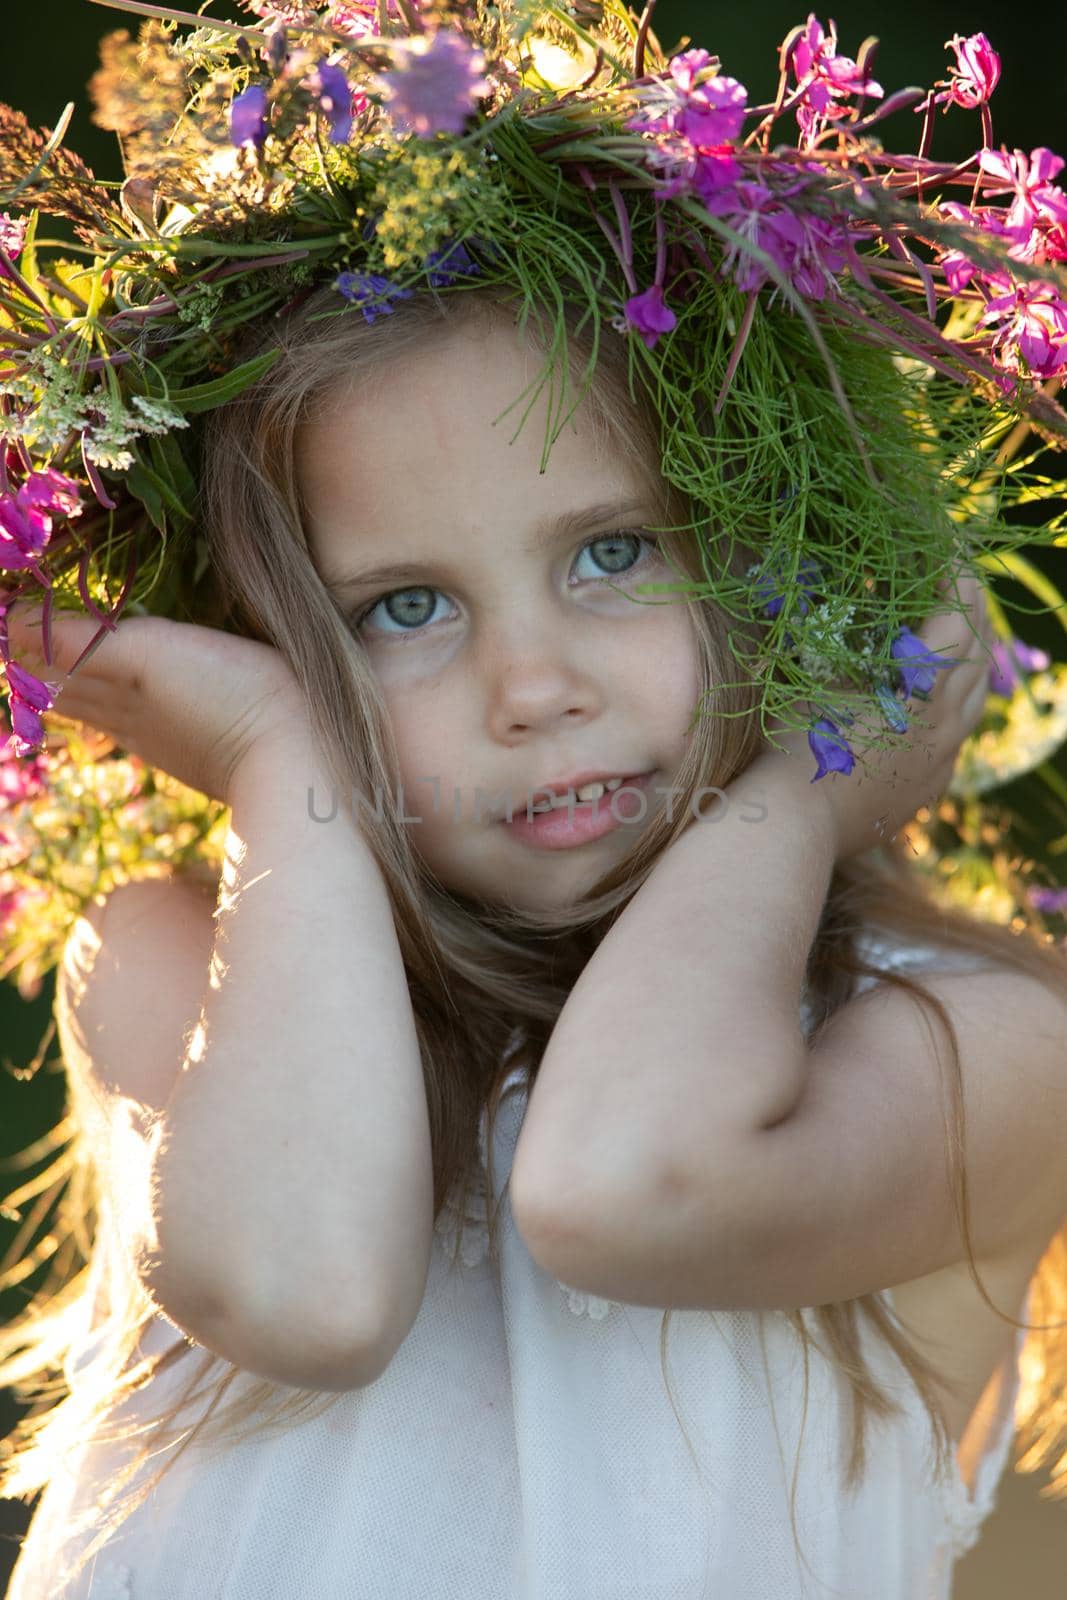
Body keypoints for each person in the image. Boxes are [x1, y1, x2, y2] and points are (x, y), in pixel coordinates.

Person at [1, 4, 1067, 1597]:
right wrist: (284, 757)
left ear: (777, 561)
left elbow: (619, 1182)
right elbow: (311, 1292)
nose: (534, 684)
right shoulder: (183, 964)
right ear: (265, 649)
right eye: (399, 610)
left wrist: (807, 791)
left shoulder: (975, 1046)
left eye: (612, 553)